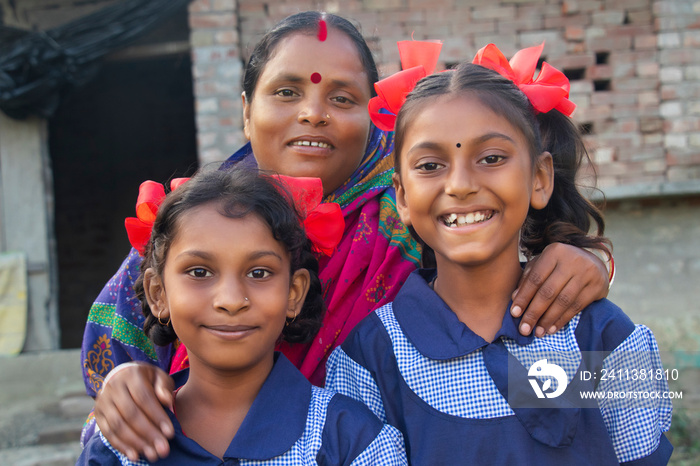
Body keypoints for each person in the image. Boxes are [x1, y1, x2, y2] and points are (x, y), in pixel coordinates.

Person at [80, 11, 612, 460]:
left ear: (376, 117)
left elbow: (497, 245)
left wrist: (580, 259)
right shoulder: (188, 225)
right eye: (286, 92)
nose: (313, 112)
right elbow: (116, 360)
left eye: (342, 98)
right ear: (247, 111)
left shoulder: (415, 212)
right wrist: (125, 387)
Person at [325, 44, 673, 464]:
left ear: (540, 178)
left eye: (491, 158)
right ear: (401, 195)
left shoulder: (601, 336)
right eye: (430, 165)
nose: (460, 185)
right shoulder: (372, 358)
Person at [78, 167, 407, 465]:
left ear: (294, 293)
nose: (231, 300)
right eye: (199, 271)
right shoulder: (121, 446)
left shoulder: (352, 441)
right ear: (158, 294)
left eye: (260, 272)